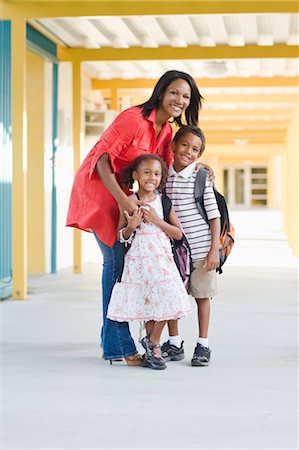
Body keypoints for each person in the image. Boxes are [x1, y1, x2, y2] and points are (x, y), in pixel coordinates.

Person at [66, 70, 203, 365]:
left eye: (186, 96)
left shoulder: (166, 132)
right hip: (101, 189)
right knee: (116, 261)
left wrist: (200, 168)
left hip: (127, 196)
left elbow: (165, 170)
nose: (179, 100)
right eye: (175, 93)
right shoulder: (133, 118)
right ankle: (120, 348)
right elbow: (102, 161)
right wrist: (123, 202)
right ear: (161, 92)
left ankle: (110, 339)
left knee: (121, 263)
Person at [107, 154, 191, 370]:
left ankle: (153, 341)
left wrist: (157, 220)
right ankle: (152, 350)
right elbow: (121, 237)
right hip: (139, 262)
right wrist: (132, 225)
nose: (151, 177)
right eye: (146, 172)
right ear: (135, 175)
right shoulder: (128, 201)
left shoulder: (164, 201)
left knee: (169, 298)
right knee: (150, 304)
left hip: (162, 260)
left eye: (156, 173)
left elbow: (179, 234)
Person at [161, 125, 221, 367]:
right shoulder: (163, 175)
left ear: (200, 155)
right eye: (184, 145)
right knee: (172, 297)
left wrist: (214, 249)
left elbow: (214, 215)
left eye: (195, 149)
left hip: (201, 249)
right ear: (173, 146)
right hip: (172, 250)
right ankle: (174, 342)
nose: (188, 151)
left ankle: (203, 345)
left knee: (202, 296)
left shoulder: (200, 177)